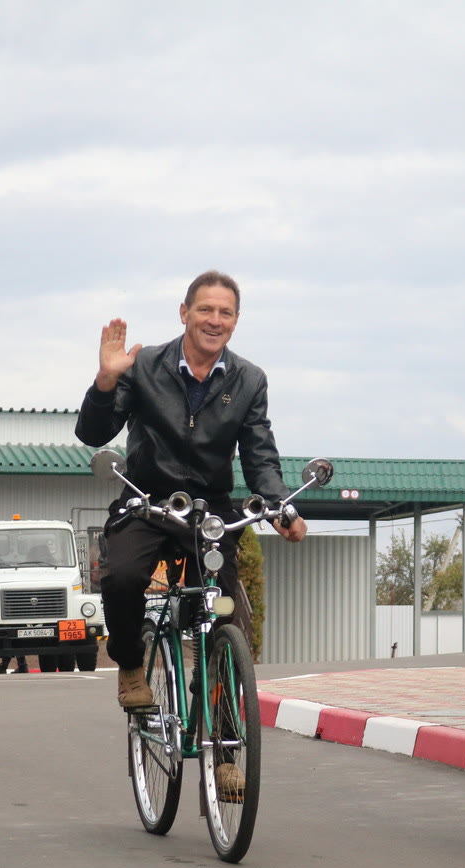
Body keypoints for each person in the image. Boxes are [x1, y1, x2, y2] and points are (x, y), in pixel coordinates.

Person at [75, 270, 307, 733]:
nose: (214, 320)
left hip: (210, 512)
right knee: (121, 578)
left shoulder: (249, 379)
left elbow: (260, 454)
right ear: (184, 313)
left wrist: (282, 506)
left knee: (228, 618)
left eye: (225, 312)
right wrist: (105, 380)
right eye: (205, 309)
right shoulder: (143, 367)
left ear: (236, 321)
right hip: (147, 500)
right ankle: (130, 666)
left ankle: (224, 745)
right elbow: (92, 433)